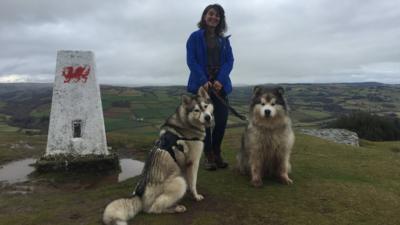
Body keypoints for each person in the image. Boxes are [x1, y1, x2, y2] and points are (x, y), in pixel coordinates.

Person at [186, 4, 234, 171]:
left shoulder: (224, 40)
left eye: (217, 16)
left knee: (221, 121)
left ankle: (217, 151)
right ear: (204, 16)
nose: (214, 17)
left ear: (220, 20)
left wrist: (220, 80)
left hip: (220, 87)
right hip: (202, 87)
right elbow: (191, 60)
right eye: (211, 14)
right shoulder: (194, 37)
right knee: (205, 122)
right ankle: (208, 155)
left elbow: (229, 61)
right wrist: (203, 80)